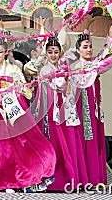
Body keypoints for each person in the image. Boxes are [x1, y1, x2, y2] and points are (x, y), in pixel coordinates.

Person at [0, 38, 56, 193]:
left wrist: (11, 91)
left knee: (10, 146)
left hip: (9, 109)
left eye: (0, 51)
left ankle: (10, 181)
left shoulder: (14, 70)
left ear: (6, 52)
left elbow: (24, 90)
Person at [68, 24, 112, 187]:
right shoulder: (73, 67)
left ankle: (94, 178)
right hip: (79, 110)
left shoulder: (95, 64)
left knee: (93, 140)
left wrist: (110, 35)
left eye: (90, 46)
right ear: (78, 50)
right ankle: (81, 177)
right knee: (80, 141)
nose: (89, 49)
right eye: (85, 47)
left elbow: (108, 57)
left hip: (93, 109)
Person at [36, 37, 88, 191]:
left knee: (70, 141)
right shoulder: (44, 70)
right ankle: (54, 179)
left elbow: (72, 87)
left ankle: (72, 179)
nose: (53, 55)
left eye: (56, 52)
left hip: (66, 107)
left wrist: (65, 85)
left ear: (60, 53)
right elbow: (41, 92)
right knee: (55, 143)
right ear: (46, 53)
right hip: (52, 111)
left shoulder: (66, 67)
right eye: (50, 52)